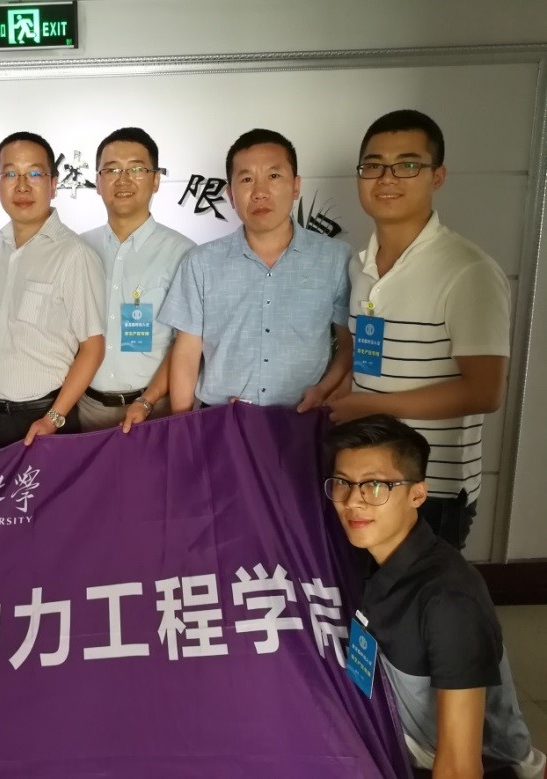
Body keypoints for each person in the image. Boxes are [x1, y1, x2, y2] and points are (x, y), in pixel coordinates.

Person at [327, 110, 511, 550]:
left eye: (407, 165)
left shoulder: (468, 270)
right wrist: (333, 392)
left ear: (437, 176)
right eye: (373, 166)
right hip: (365, 483)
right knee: (365, 593)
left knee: (421, 595)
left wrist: (370, 407)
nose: (387, 178)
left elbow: (484, 391)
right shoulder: (360, 265)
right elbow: (363, 356)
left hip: (428, 489)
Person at [323, 415, 545, 779]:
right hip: (399, 747)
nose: (352, 501)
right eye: (343, 483)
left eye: (375, 485)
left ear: (417, 494)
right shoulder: (369, 557)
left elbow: (459, 766)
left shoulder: (448, 601)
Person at [160, 128, 352, 413]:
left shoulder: (335, 258)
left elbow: (347, 344)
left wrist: (324, 390)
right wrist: (183, 425)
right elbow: (187, 353)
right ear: (230, 193)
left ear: (296, 186)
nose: (260, 192)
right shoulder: (200, 263)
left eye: (273, 176)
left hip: (303, 416)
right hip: (221, 419)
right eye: (247, 179)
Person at [0, 131, 105, 448]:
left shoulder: (74, 254)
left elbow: (93, 347)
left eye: (34, 173)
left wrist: (54, 418)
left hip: (43, 415)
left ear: (53, 184)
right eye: (10, 174)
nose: (22, 186)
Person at [79, 127, 194, 432]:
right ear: (98, 182)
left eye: (136, 169)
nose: (123, 179)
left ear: (155, 180)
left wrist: (148, 400)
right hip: (86, 409)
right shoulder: (78, 250)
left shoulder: (184, 254)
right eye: (112, 169)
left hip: (154, 410)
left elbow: (187, 344)